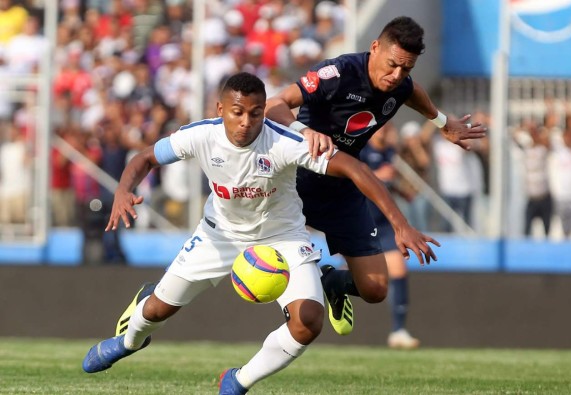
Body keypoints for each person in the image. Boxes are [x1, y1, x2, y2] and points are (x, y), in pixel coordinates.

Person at [81, 72, 439, 394]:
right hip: (218, 235)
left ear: (264, 109)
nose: (246, 122)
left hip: (283, 238)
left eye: (255, 113)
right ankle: (128, 343)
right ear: (220, 108)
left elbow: (354, 168)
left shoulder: (283, 142)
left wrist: (400, 223)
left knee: (308, 324)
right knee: (157, 311)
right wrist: (124, 190)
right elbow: (144, 158)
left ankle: (238, 382)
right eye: (237, 112)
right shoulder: (200, 135)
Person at [265, 16, 486, 335]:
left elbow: (414, 92)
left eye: (406, 69)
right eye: (393, 64)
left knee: (375, 289)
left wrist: (442, 122)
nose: (397, 75)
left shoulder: (402, 85)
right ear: (374, 48)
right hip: (296, 183)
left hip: (342, 190)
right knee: (303, 313)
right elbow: (275, 104)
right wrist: (304, 130)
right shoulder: (338, 73)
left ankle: (332, 280)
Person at [359, 123, 419, 349]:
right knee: (362, 280)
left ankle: (398, 330)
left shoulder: (390, 152)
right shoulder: (361, 150)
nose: (384, 131)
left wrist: (402, 192)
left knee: (399, 269)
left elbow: (386, 186)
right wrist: (378, 175)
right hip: (359, 223)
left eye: (387, 127)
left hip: (384, 225)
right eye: (380, 127)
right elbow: (351, 178)